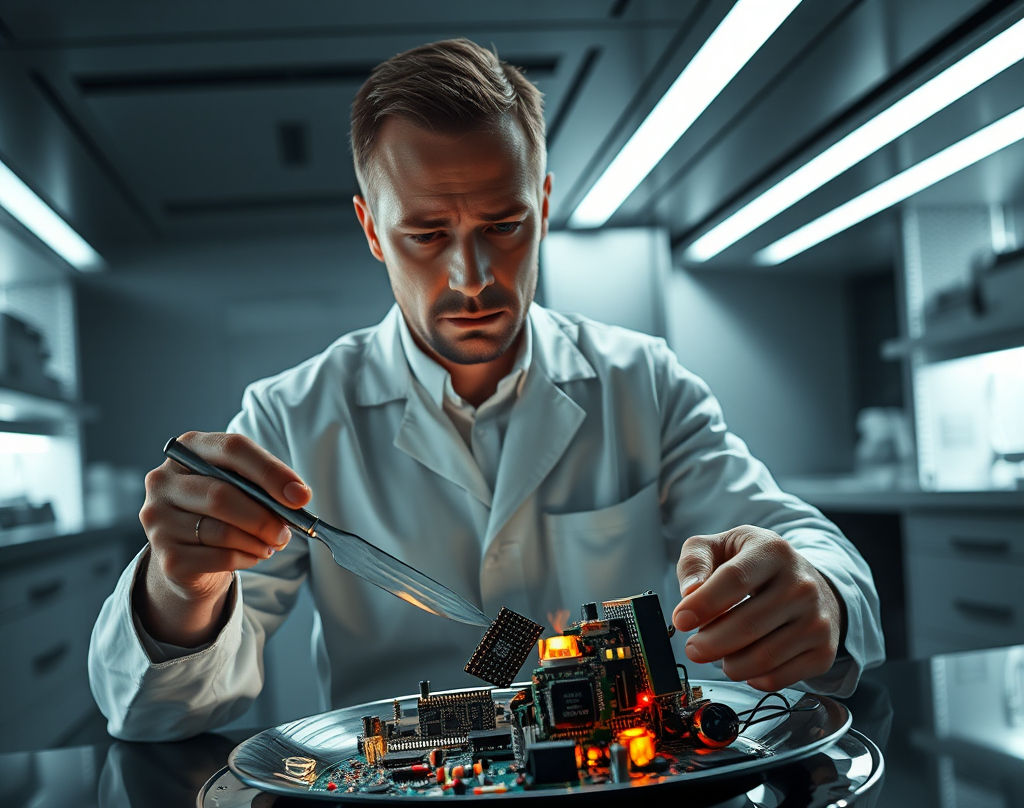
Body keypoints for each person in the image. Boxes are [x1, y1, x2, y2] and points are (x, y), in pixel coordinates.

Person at [89, 39, 884, 741]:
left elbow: (811, 550)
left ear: (541, 205)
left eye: (503, 227)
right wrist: (179, 584)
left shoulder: (645, 383)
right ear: (372, 230)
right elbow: (154, 714)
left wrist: (818, 595)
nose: (471, 280)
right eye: (427, 235)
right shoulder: (290, 417)